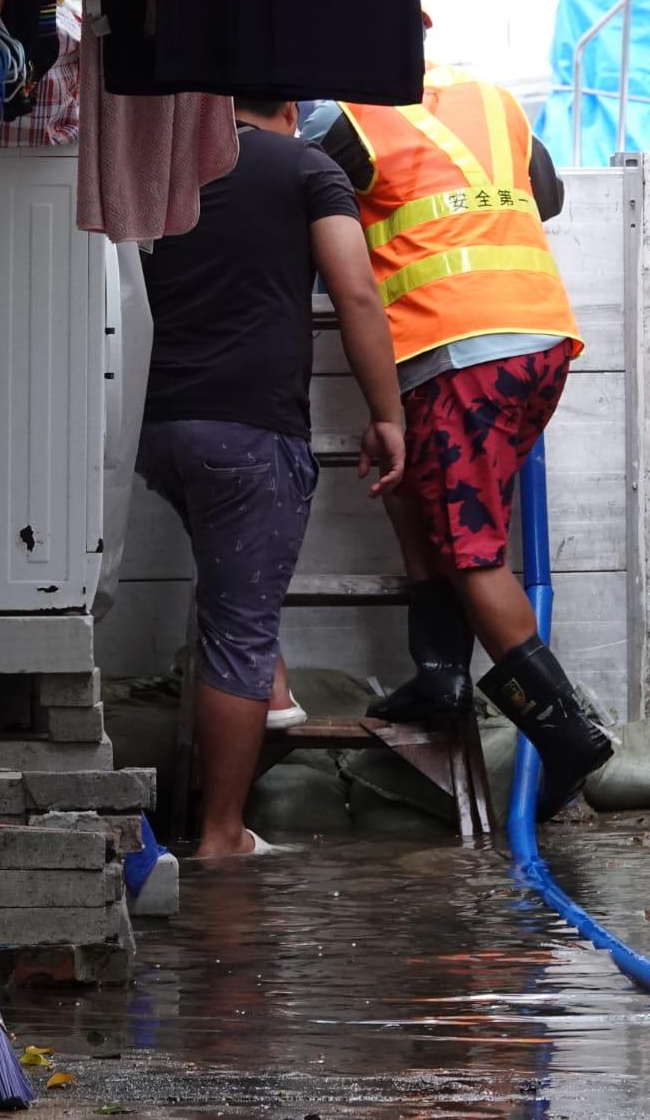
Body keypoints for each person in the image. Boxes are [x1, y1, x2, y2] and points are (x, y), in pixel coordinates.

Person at [305, 52, 614, 816]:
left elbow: (290, 187)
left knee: (472, 546)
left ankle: (568, 732)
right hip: (536, 338)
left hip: (457, 346)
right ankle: (439, 673)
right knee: (415, 488)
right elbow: (548, 195)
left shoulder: (353, 115)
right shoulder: (490, 98)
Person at [136, 96, 405, 857]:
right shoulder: (309, 167)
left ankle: (276, 691)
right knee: (241, 629)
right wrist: (387, 414)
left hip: (160, 426)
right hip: (250, 429)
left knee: (235, 595)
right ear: (291, 108)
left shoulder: (171, 169)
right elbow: (355, 291)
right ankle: (222, 834)